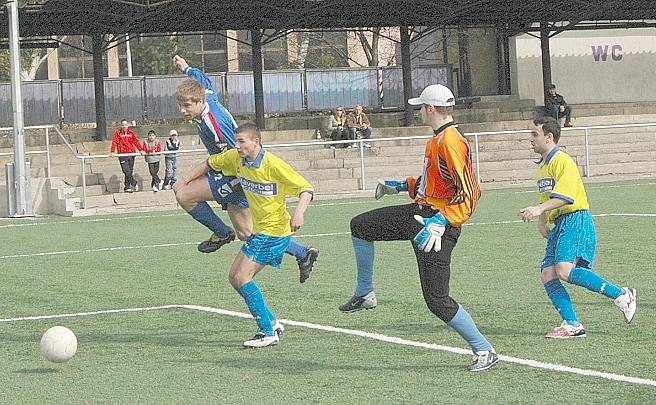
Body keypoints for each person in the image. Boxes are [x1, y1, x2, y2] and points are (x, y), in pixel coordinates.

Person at [338, 84, 498, 372]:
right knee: (360, 226)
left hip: (437, 225)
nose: (420, 111)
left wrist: (441, 222)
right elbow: (435, 185)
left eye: (421, 107)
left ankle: (484, 350)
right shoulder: (438, 139)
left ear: (431, 109)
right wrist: (401, 185)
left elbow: (471, 193)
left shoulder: (449, 141)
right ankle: (365, 294)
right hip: (422, 215)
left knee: (437, 300)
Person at [171, 55, 318, 282]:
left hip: (235, 173)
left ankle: (221, 233)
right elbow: (203, 80)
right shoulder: (206, 94)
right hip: (227, 170)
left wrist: (244, 179)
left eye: (187, 105)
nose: (183, 110)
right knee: (247, 234)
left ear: (199, 102)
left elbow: (239, 152)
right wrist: (186, 67)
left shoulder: (215, 124)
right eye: (181, 105)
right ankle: (303, 253)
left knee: (184, 194)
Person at [181, 122, 315, 348]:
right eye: (236, 141)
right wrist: (183, 181)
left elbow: (306, 189)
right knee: (235, 277)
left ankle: (267, 331)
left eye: (242, 141)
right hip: (261, 231)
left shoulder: (273, 165)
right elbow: (209, 163)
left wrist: (298, 214)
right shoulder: (236, 159)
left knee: (241, 277)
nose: (238, 145)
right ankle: (271, 322)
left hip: (274, 232)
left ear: (256, 142)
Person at [519, 116, 637, 338]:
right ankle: (572, 324)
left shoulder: (562, 161)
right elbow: (547, 196)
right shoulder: (543, 167)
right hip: (560, 223)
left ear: (549, 136)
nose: (530, 139)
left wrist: (536, 210)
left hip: (575, 218)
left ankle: (622, 295)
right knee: (548, 274)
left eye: (534, 134)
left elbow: (565, 198)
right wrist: (542, 221)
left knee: (563, 270)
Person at [110, 119, 144, 193]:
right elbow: (115, 142)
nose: (124, 126)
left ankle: (127, 187)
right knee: (126, 171)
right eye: (123, 125)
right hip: (123, 155)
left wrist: (141, 149)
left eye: (125, 125)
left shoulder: (131, 132)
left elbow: (136, 141)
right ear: (121, 125)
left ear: (128, 125)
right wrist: (112, 151)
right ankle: (134, 183)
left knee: (129, 172)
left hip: (131, 154)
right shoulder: (118, 133)